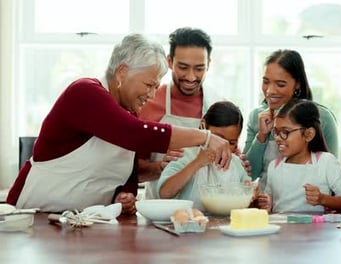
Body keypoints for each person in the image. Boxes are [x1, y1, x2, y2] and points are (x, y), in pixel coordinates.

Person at [6, 33, 232, 214]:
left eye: (156, 86)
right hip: (33, 215)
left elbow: (126, 176)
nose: (152, 95)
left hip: (82, 221)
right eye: (149, 84)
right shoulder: (84, 92)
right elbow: (136, 133)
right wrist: (206, 137)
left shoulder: (129, 114)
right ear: (122, 72)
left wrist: (124, 196)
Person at [137, 27, 222, 199]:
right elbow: (131, 171)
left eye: (199, 69)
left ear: (209, 64)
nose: (191, 77)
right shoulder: (148, 104)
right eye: (183, 67)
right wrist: (160, 166)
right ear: (169, 61)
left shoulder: (219, 105)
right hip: (158, 211)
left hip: (206, 213)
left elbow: (230, 158)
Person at [243, 49, 339, 190]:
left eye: (280, 84)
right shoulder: (256, 117)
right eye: (266, 82)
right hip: (265, 206)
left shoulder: (322, 118)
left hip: (309, 206)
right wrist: (262, 136)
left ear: (298, 85)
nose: (270, 91)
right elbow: (248, 175)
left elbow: (332, 177)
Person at [257, 99, 341, 213]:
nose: (277, 138)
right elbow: (269, 203)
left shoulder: (325, 162)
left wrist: (323, 199)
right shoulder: (274, 166)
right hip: (282, 229)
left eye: (285, 132)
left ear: (309, 134)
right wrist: (265, 203)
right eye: (276, 132)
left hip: (316, 230)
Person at [157, 101, 250, 210]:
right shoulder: (185, 155)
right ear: (203, 126)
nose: (223, 146)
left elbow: (247, 191)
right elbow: (164, 193)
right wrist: (197, 163)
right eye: (218, 138)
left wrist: (252, 192)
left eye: (231, 143)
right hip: (188, 222)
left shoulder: (236, 164)